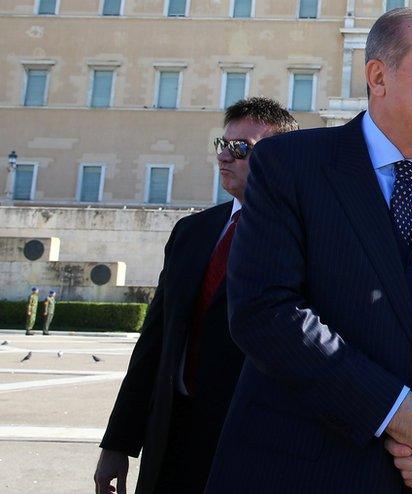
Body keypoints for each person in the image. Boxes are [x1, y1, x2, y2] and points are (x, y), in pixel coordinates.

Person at [205, 8, 412, 493]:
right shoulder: (291, 164)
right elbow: (264, 311)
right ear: (378, 77)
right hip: (297, 470)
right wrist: (400, 413)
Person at [94, 98, 298, 494]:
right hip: (171, 436)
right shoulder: (191, 232)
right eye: (223, 143)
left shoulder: (301, 237)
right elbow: (155, 343)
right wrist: (118, 443)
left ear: (279, 159)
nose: (224, 155)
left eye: (241, 148)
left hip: (252, 443)